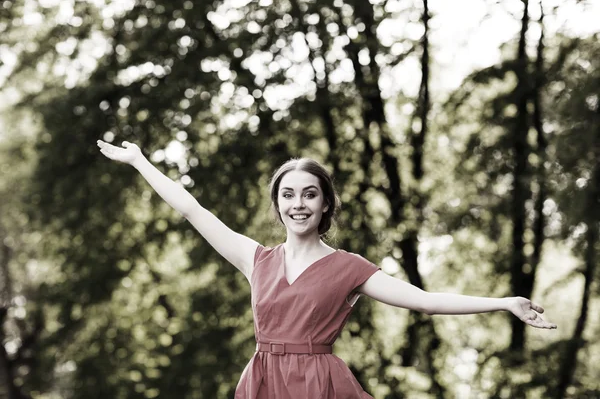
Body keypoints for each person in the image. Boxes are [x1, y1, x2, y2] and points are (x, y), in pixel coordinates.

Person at [97, 139, 557, 398]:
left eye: (309, 194)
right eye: (289, 195)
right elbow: (193, 210)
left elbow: (426, 302)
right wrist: (141, 162)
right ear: (278, 205)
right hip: (261, 382)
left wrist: (504, 303)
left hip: (319, 384)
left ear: (325, 204)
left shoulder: (348, 268)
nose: (298, 204)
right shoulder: (255, 259)